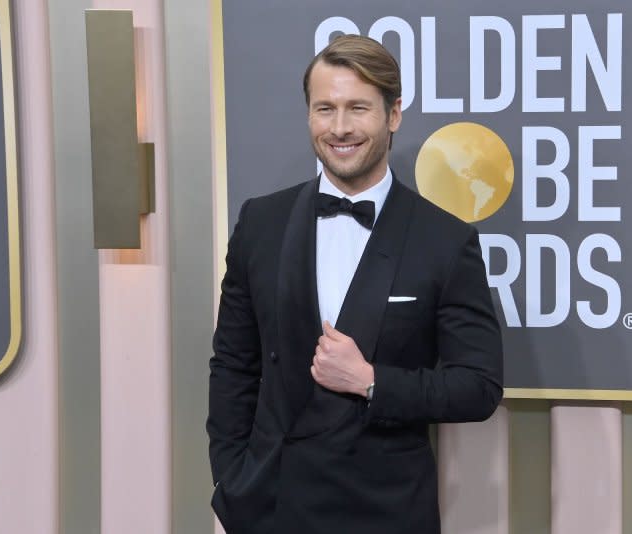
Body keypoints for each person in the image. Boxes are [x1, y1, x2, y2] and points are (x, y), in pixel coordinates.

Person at [207, 34, 503, 534]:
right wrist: (231, 478)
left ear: (393, 115)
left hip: (384, 510)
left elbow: (478, 387)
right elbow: (234, 364)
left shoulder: (445, 240)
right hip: (271, 507)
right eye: (325, 108)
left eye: (358, 108)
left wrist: (371, 381)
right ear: (308, 115)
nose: (339, 127)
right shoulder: (261, 222)